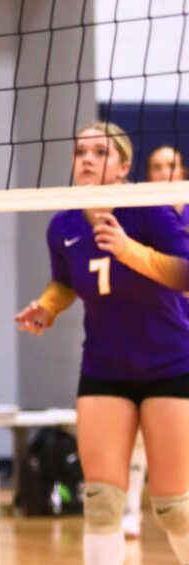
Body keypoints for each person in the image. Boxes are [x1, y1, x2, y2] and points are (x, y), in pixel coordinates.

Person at [15, 122, 189, 565]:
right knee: (102, 499)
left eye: (100, 152)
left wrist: (129, 249)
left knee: (174, 507)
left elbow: (185, 274)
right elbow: (67, 280)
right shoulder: (63, 224)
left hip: (170, 363)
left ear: (122, 167)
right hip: (105, 369)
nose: (87, 160)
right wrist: (47, 306)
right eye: (80, 151)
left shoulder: (151, 208)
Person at [122, 143, 188, 539]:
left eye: (173, 165)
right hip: (157, 338)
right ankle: (131, 510)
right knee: (141, 435)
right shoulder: (142, 219)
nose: (166, 172)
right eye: (158, 166)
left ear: (182, 171)